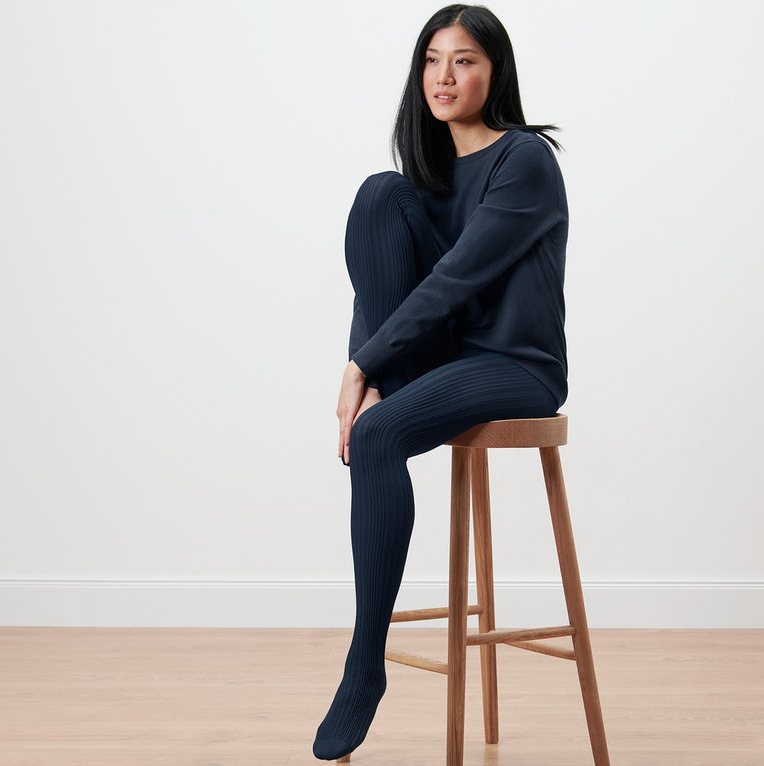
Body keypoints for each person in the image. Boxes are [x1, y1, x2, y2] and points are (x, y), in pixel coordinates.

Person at [313, 4, 569, 760]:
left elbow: (454, 282)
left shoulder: (523, 159)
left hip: (515, 366)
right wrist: (376, 368)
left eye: (463, 60)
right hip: (446, 359)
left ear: (495, 72)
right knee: (376, 194)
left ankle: (366, 666)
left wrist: (361, 369)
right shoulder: (425, 182)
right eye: (432, 60)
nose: (444, 76)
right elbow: (383, 287)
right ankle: (383, 397)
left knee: (379, 432)